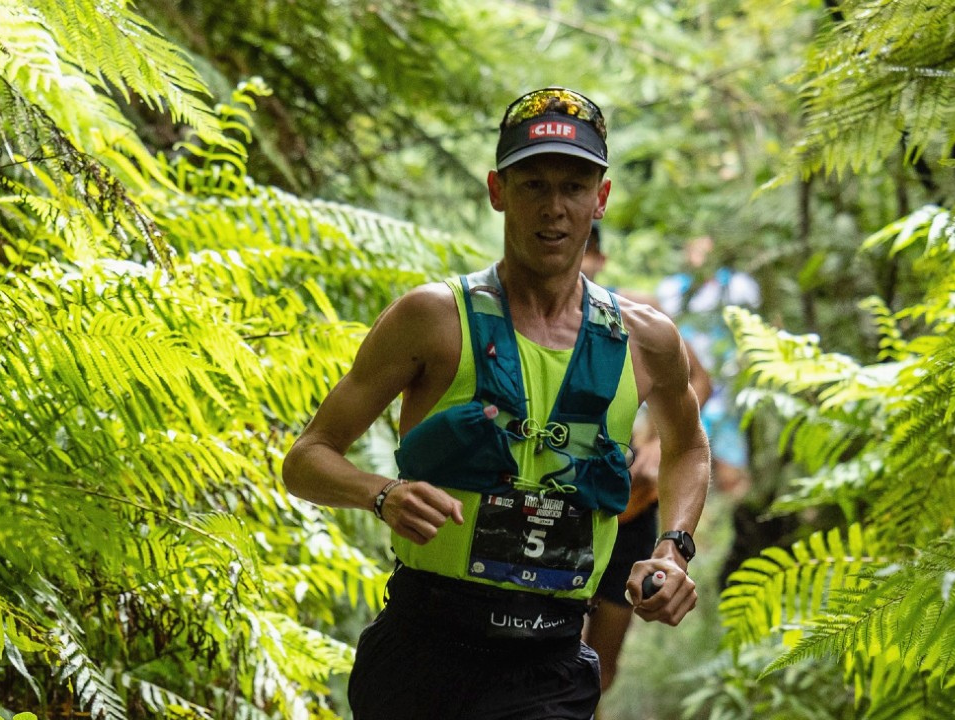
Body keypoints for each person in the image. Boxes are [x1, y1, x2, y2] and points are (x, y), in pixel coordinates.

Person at [282, 86, 710, 720]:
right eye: (532, 184)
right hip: (422, 652)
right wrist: (382, 494)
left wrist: (672, 548)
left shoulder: (644, 340)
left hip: (552, 662)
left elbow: (688, 447)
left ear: (601, 198)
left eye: (573, 186)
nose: (554, 209)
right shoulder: (432, 318)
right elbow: (306, 459)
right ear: (497, 191)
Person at [579, 222, 714, 702]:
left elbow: (699, 379)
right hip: (573, 509)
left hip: (632, 507)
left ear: (601, 260)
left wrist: (657, 442)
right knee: (560, 655)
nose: (581, 263)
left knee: (602, 664)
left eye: (590, 253)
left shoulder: (636, 317)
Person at [655, 235, 760, 496]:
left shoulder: (737, 287)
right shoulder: (672, 291)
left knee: (729, 458)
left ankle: (730, 516)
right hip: (686, 385)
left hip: (726, 386)